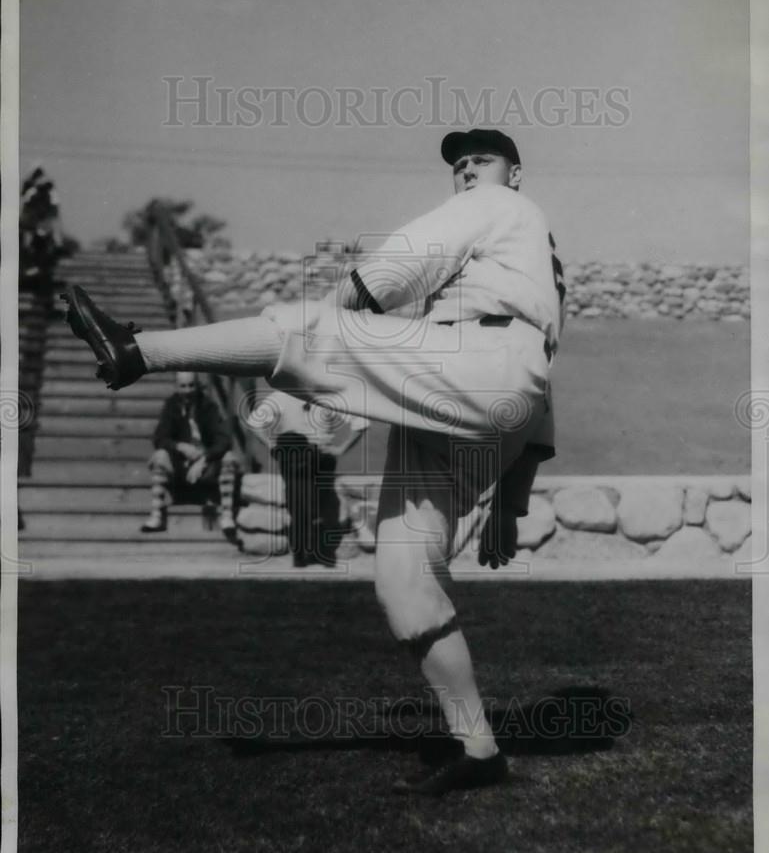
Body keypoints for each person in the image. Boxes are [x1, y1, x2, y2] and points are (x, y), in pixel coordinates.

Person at [62, 127, 565, 795]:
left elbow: (400, 264)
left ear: (514, 173)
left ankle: (136, 351)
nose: (468, 170)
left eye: (484, 160)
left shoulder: (500, 204)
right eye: (460, 164)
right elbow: (536, 382)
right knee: (404, 578)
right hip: (484, 389)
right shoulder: (532, 257)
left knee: (305, 324)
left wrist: (324, 316)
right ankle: (480, 749)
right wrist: (511, 504)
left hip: (479, 361)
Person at [247, 390, 369, 567]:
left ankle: (322, 553)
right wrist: (270, 444)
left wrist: (341, 449)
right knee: (298, 505)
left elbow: (361, 422)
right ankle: (302, 554)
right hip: (294, 458)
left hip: (321, 458)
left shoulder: (329, 397)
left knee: (323, 505)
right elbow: (254, 422)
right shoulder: (281, 396)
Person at [142, 371, 241, 539]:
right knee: (160, 456)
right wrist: (180, 446)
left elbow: (223, 439)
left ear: (197, 386)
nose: (187, 390)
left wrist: (205, 458)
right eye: (183, 386)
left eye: (191, 385)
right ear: (176, 387)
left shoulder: (208, 406)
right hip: (179, 466)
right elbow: (160, 438)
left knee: (229, 458)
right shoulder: (172, 406)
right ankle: (156, 514)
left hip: (205, 467)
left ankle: (227, 516)